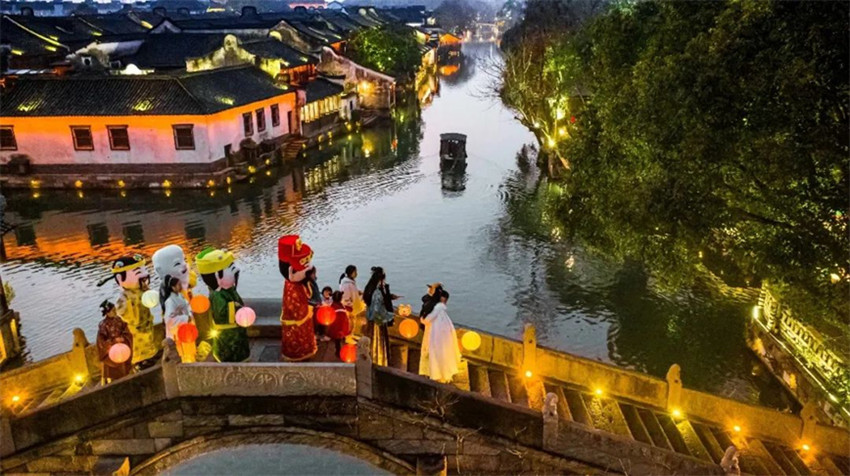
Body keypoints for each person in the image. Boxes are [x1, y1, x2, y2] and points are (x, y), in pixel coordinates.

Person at [419, 290, 461, 383]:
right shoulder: (441, 311)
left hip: (435, 337)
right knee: (443, 356)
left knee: (434, 356)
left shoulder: (437, 309)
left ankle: (436, 374)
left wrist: (422, 319)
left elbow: (426, 320)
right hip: (443, 338)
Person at [363, 266, 399, 366]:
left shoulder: (370, 287)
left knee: (371, 336)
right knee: (378, 338)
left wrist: (389, 296)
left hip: (371, 316)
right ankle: (379, 358)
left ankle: (372, 356)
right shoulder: (377, 290)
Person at [96, 300, 134, 383]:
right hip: (112, 351)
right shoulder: (103, 325)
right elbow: (101, 341)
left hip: (122, 347)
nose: (115, 311)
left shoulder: (119, 320)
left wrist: (123, 337)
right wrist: (113, 341)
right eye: (113, 310)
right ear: (107, 313)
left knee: (124, 366)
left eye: (115, 309)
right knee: (113, 369)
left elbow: (126, 330)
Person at [161, 276, 192, 346]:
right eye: (178, 285)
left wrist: (189, 314)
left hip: (185, 325)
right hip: (177, 329)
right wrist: (185, 318)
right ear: (173, 287)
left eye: (181, 284)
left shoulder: (180, 295)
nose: (181, 286)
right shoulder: (170, 301)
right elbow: (169, 319)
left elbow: (187, 306)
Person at [326, 291, 352, 356]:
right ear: (341, 298)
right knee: (342, 334)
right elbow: (350, 309)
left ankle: (338, 351)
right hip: (343, 323)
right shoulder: (342, 305)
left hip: (335, 323)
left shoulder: (332, 305)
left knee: (337, 338)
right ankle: (344, 348)